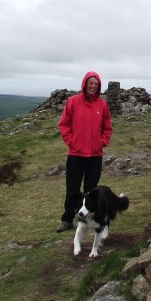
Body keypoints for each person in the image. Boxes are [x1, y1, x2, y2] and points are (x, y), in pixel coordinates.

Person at [56, 71, 113, 232]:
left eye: (96, 84)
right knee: (72, 189)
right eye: (91, 83)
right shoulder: (73, 102)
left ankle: (88, 218)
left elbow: (107, 127)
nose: (93, 86)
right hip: (76, 154)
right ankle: (67, 219)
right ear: (84, 84)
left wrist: (102, 142)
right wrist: (71, 141)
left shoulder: (102, 105)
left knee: (90, 189)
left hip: (94, 155)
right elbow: (64, 124)